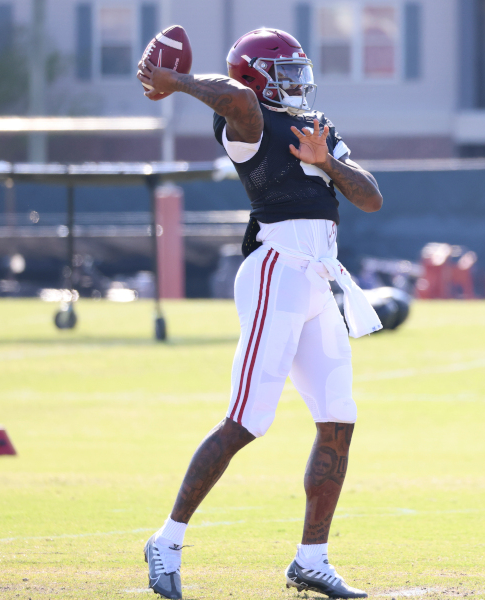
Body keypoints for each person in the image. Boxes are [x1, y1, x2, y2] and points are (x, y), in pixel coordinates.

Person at [136, 27, 384, 600]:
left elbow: (369, 195)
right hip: (276, 270)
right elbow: (237, 99)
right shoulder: (246, 122)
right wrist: (179, 83)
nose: (297, 83)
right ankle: (165, 540)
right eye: (285, 73)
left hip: (318, 280)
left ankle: (311, 560)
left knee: (338, 419)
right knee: (247, 419)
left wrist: (329, 162)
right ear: (256, 76)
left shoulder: (316, 128)